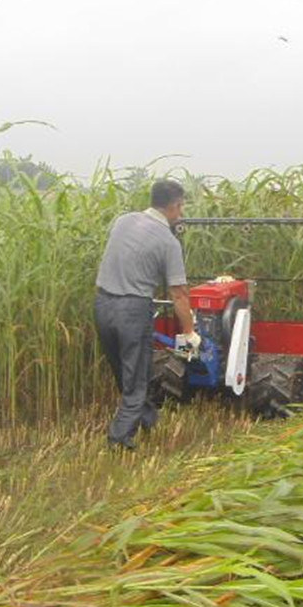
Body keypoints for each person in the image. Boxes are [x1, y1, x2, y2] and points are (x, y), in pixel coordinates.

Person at [94, 179, 200, 450]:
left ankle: (149, 420)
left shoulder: (123, 221)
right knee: (136, 379)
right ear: (174, 206)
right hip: (132, 311)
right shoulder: (168, 242)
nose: (182, 213)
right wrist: (189, 333)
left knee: (123, 373)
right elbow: (179, 295)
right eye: (181, 207)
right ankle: (119, 440)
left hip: (102, 304)